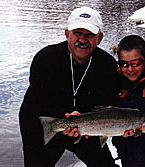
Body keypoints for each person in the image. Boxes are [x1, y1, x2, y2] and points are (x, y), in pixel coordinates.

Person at [19, 6, 120, 167]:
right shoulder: (45, 59)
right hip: (40, 121)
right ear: (67, 34)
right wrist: (66, 116)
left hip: (85, 125)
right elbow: (39, 101)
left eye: (89, 35)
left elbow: (106, 103)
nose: (82, 40)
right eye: (77, 33)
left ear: (99, 38)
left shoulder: (107, 65)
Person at [111, 35, 145, 167]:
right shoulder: (114, 80)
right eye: (124, 64)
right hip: (128, 153)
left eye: (135, 63)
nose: (130, 69)